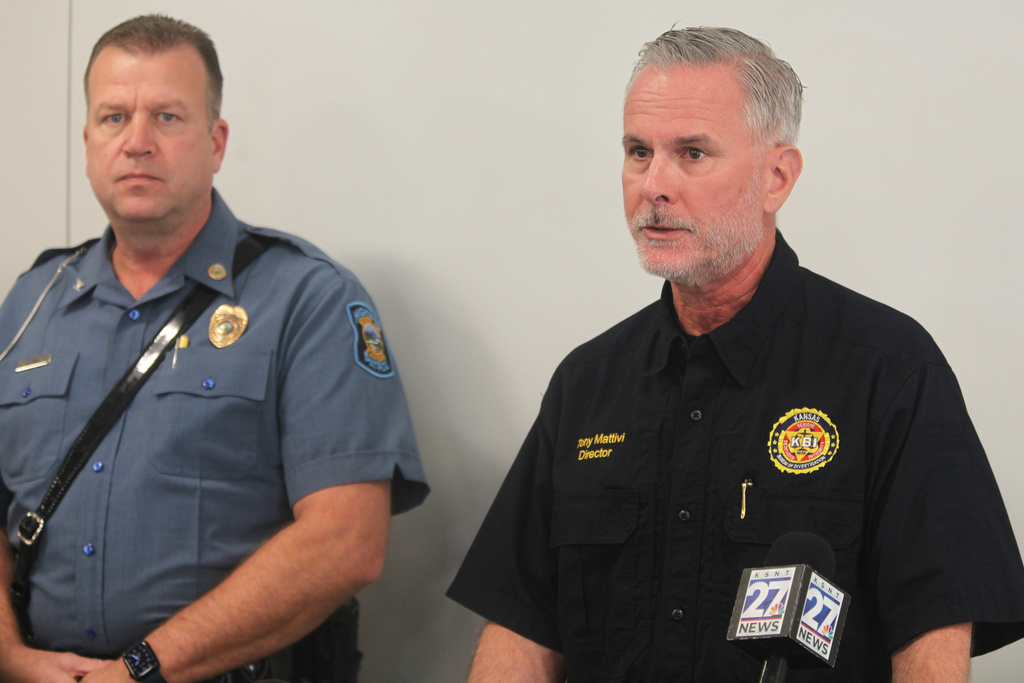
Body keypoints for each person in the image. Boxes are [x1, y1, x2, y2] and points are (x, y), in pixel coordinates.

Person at [447, 26, 1024, 682]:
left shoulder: (886, 371)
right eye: (639, 152)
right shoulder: (588, 382)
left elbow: (932, 640)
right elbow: (522, 627)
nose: (654, 185)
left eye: (692, 153)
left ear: (777, 177)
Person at [0, 14, 428, 683]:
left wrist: (143, 667)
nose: (137, 141)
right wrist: (9, 651)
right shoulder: (31, 304)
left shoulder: (305, 300)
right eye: (114, 118)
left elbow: (347, 542)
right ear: (87, 142)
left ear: (216, 140)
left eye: (167, 117)